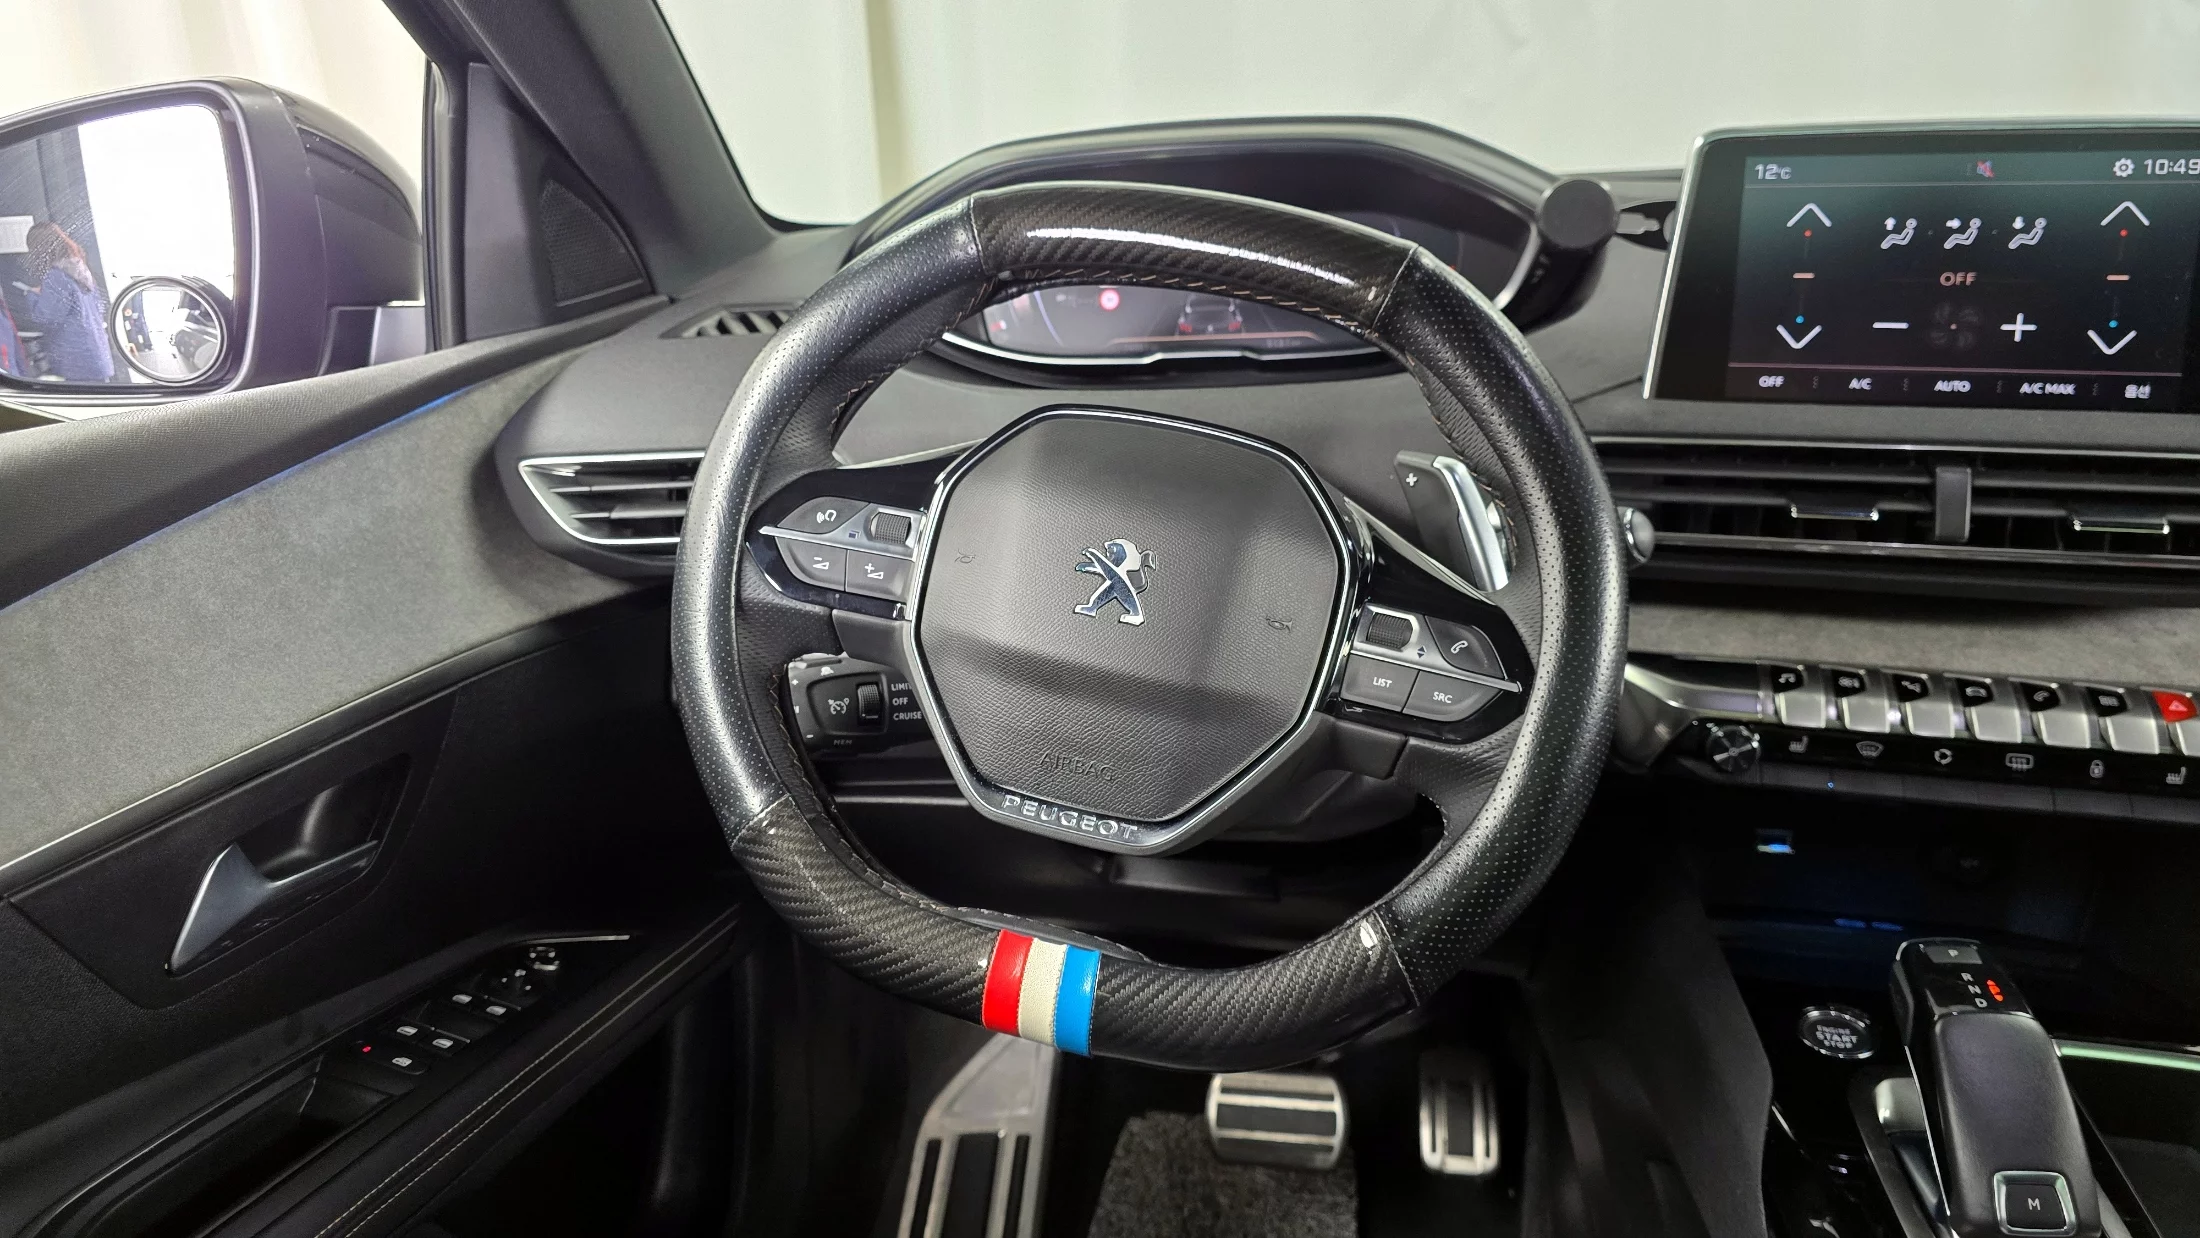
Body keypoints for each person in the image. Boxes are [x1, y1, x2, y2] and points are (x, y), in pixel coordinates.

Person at [20, 221, 112, 382]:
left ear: (40, 249)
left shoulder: (57, 276)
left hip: (76, 362)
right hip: (96, 356)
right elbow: (100, 307)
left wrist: (32, 295)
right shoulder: (81, 270)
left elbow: (47, 317)